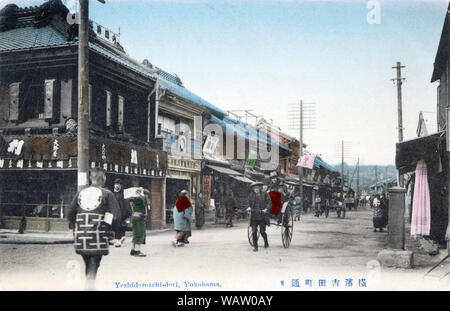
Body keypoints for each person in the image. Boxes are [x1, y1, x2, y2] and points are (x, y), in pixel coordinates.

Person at [66, 168, 121, 290]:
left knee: (89, 264)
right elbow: (116, 215)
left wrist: (78, 226)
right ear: (104, 179)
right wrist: (107, 226)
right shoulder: (107, 194)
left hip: (81, 238)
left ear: (90, 178)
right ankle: (89, 287)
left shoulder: (80, 193)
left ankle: (89, 286)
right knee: (94, 264)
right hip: (98, 237)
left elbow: (70, 214)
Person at [247, 182, 270, 252]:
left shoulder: (265, 194)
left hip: (262, 216)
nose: (256, 189)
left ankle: (266, 242)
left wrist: (266, 209)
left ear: (260, 188)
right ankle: (255, 247)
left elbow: (269, 203)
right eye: (254, 188)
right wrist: (248, 207)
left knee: (262, 231)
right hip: (254, 216)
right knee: (254, 231)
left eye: (257, 188)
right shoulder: (251, 195)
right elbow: (249, 203)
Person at [129, 188, 150, 257]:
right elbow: (147, 207)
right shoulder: (142, 198)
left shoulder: (133, 199)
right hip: (140, 217)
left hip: (134, 216)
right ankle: (138, 250)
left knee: (135, 233)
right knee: (140, 233)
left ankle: (133, 249)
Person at [111, 178, 129, 247]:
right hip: (114, 212)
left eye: (118, 184)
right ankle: (121, 238)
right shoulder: (112, 194)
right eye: (115, 184)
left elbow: (126, 204)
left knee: (119, 226)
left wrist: (127, 213)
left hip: (122, 212)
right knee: (117, 226)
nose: (116, 186)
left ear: (121, 186)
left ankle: (118, 240)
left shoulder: (123, 194)